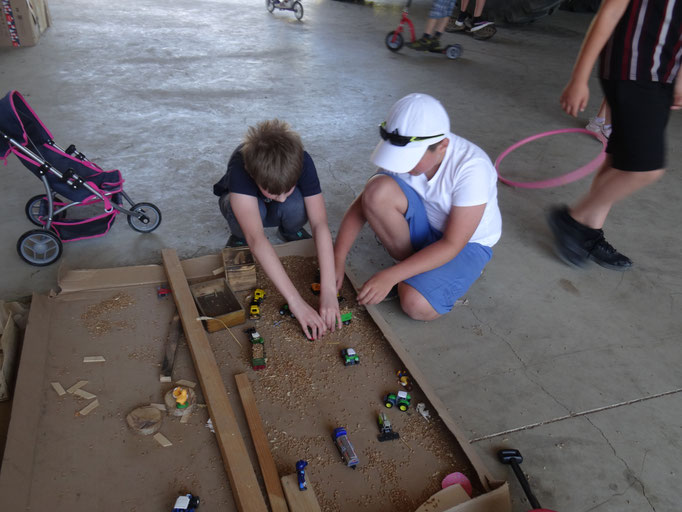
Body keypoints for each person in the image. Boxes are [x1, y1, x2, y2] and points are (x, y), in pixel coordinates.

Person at [333, 93, 502, 321]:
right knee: (376, 192)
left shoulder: (472, 168)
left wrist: (390, 276)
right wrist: (338, 257)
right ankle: (417, 269)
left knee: (415, 304)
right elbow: (362, 205)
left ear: (442, 146)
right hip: (427, 224)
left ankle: (445, 274)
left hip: (465, 243)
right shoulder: (403, 143)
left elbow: (452, 244)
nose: (402, 166)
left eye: (410, 160)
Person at [550, 0, 682, 271]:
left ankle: (589, 232)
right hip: (632, 68)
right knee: (646, 169)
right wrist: (579, 78)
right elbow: (609, 12)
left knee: (620, 159)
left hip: (664, 74)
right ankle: (571, 220)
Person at [213, 119, 340, 339]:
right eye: (273, 192)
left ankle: (290, 230)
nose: (281, 199)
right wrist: (296, 302)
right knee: (249, 221)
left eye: (287, 189)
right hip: (246, 207)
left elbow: (320, 224)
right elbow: (257, 239)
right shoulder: (240, 168)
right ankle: (237, 235)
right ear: (252, 175)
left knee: (296, 203)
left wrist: (328, 290)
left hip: (267, 200)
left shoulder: (303, 161)